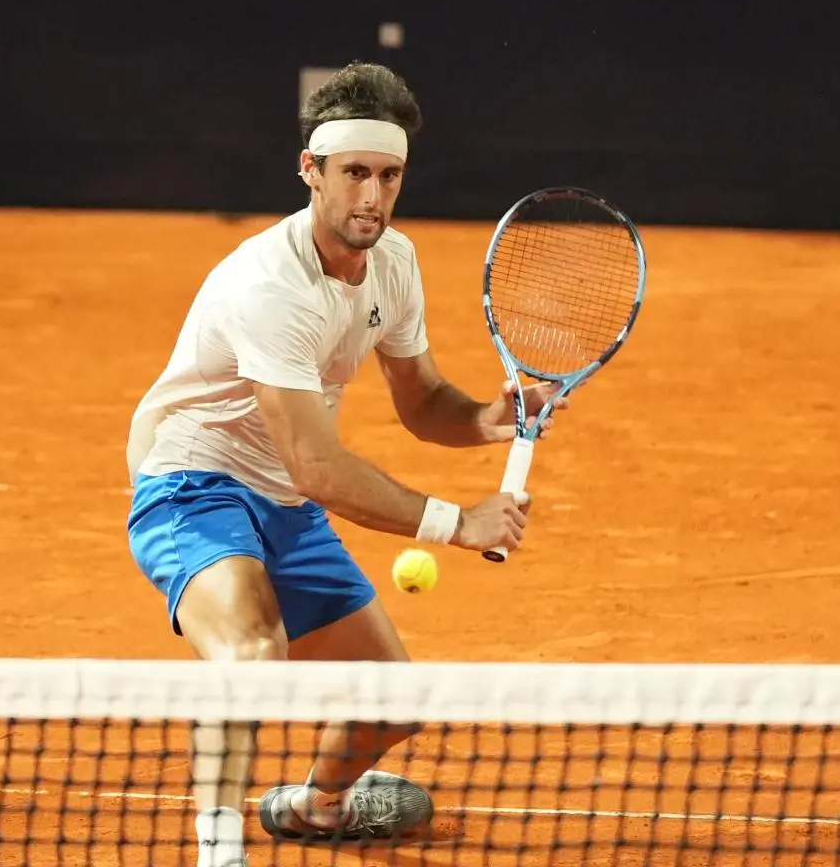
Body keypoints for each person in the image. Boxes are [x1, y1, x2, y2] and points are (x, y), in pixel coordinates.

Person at [124, 62, 567, 866]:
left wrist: (490, 419)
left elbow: (421, 398)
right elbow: (317, 465)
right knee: (251, 652)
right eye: (354, 174)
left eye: (388, 176)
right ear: (311, 173)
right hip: (193, 485)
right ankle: (219, 857)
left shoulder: (393, 263)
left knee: (391, 700)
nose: (372, 196)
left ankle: (316, 809)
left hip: (285, 502)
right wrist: (456, 522)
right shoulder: (268, 285)